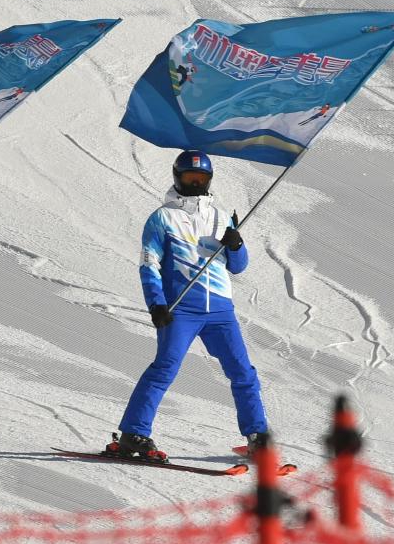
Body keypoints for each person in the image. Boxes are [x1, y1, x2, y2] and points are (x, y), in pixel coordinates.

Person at [105, 150, 270, 462]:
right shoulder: (162, 218)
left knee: (242, 371)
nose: (196, 184)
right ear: (177, 177)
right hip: (180, 309)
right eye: (190, 178)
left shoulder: (221, 217)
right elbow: (149, 263)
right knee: (165, 368)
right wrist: (156, 304)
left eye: (201, 178)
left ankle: (257, 436)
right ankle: (133, 434)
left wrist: (236, 245)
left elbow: (238, 267)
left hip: (220, 311)